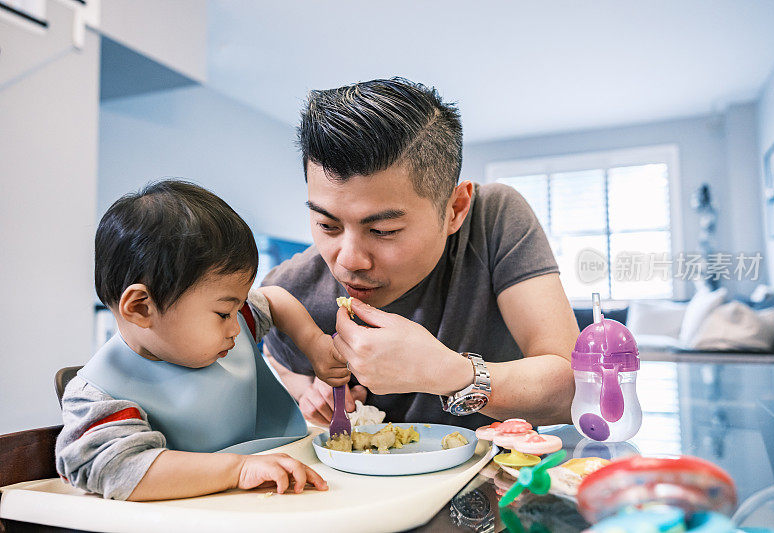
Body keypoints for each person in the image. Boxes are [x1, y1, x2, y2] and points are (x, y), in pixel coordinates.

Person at [262, 78, 580, 430]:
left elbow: (576, 387)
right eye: (327, 225)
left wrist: (446, 372)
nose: (348, 261)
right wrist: (306, 389)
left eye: (383, 231)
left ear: (455, 209)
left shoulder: (494, 219)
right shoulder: (291, 290)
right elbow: (275, 358)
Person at [56, 180, 345, 501]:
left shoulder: (234, 322)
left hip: (287, 482)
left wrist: (315, 344)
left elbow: (273, 299)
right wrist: (239, 470)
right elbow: (123, 471)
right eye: (223, 313)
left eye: (238, 307)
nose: (237, 325)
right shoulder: (99, 397)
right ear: (140, 307)